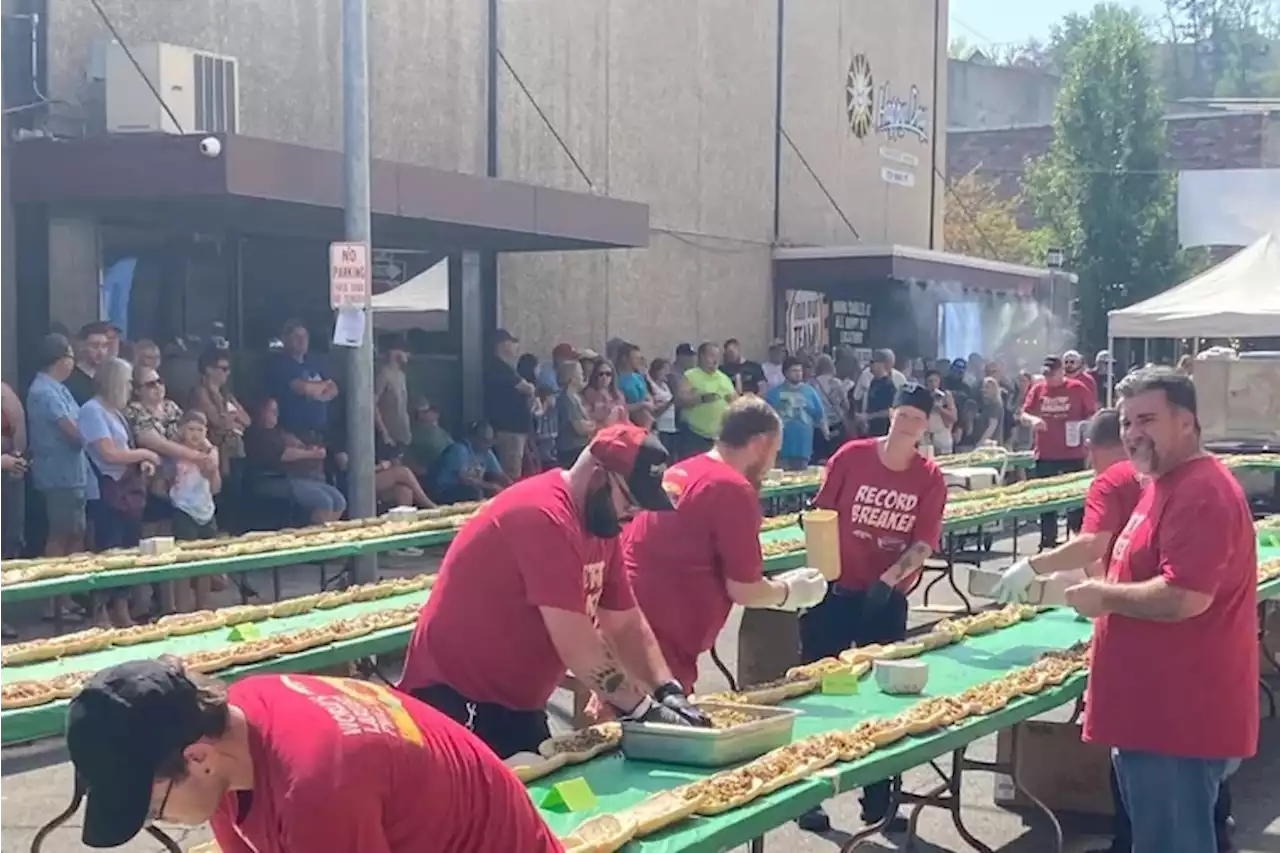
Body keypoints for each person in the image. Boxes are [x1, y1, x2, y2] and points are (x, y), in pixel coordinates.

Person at [399, 424, 711, 757]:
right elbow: (577, 646)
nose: (633, 515)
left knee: (550, 799)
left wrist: (668, 690)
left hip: (517, 705)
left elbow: (626, 623)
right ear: (597, 475)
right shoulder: (542, 515)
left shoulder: (601, 528)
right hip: (458, 700)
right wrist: (641, 710)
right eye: (631, 501)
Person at [46, 659, 562, 852]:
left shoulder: (316, 790)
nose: (160, 819)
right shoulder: (232, 728)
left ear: (196, 758)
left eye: (153, 809)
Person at [1061, 368, 1257, 853]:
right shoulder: (1162, 483)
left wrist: (1102, 596)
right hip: (1152, 718)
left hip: (1176, 724)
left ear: (1186, 422)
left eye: (1146, 419)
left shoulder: (1200, 491)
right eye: (1126, 422)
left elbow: (1185, 596)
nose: (1131, 434)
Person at [798, 383, 948, 835]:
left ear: (925, 427)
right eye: (902, 415)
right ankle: (809, 794)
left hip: (883, 600)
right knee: (823, 693)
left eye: (917, 420)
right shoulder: (851, 457)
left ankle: (880, 801)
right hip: (834, 594)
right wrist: (822, 573)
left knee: (884, 699)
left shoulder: (928, 477)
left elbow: (923, 541)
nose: (907, 425)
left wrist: (887, 582)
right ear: (892, 415)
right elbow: (822, 514)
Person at [625, 398, 828, 691]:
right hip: (662, 643)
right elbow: (745, 589)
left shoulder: (683, 470)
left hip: (632, 624)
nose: (771, 465)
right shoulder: (732, 488)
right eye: (775, 452)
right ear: (760, 444)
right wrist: (790, 592)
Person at [79, 358, 162, 628]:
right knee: (108, 552)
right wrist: (145, 453)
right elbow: (108, 453)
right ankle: (100, 614)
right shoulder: (92, 411)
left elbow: (124, 449)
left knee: (127, 551)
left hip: (128, 490)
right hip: (106, 491)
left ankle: (122, 611)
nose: (130, 388)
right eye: (127, 382)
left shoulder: (117, 412)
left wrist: (141, 462)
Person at [26, 334, 92, 624]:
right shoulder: (45, 392)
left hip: (73, 474)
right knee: (60, 534)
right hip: (58, 475)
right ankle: (51, 600)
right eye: (70, 357)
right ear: (60, 359)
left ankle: (65, 597)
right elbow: (74, 430)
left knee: (74, 532)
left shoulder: (58, 389)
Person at [1019, 355, 1098, 549]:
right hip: (1046, 452)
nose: (1049, 379)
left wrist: (1083, 430)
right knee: (1046, 500)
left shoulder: (1078, 389)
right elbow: (1023, 413)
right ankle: (1047, 541)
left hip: (1073, 453)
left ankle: (1078, 540)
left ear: (1061, 371)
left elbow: (1093, 414)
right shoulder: (1038, 389)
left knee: (1076, 501)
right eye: (1046, 374)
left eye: (1052, 374)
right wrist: (1033, 420)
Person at [243, 398, 346, 524]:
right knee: (324, 501)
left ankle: (327, 532)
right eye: (271, 410)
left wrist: (309, 448)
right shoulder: (257, 434)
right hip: (269, 479)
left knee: (339, 500)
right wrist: (311, 453)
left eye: (277, 410)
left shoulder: (279, 431)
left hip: (293, 477)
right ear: (260, 412)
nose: (276, 414)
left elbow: (297, 445)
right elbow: (282, 454)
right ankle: (314, 536)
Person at [266, 320, 338, 443]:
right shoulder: (281, 365)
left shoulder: (315, 362)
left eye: (305, 336)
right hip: (293, 435)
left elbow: (334, 389)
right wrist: (323, 387)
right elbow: (302, 388)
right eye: (297, 337)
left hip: (320, 433)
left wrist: (317, 391)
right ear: (285, 339)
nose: (302, 341)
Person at [484, 329, 535, 481]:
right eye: (512, 343)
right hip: (509, 429)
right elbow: (527, 388)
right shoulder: (498, 367)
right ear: (503, 345)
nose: (515, 347)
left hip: (515, 429)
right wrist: (530, 389)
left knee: (520, 470)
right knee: (510, 473)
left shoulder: (505, 367)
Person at [765, 356, 827, 470]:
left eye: (800, 371)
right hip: (781, 450)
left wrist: (826, 435)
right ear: (785, 373)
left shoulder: (810, 392)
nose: (798, 374)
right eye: (794, 371)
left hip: (803, 449)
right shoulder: (773, 394)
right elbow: (766, 419)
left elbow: (820, 416)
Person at [431, 421, 511, 504]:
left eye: (489, 442)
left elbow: (500, 475)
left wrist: (512, 487)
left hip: (467, 489)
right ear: (474, 438)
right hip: (444, 490)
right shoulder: (459, 449)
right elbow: (464, 479)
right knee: (476, 492)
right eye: (484, 441)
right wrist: (489, 486)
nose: (488, 445)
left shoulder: (487, 452)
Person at [679, 342, 736, 455]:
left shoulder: (724, 378)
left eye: (717, 357)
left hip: (718, 437)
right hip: (694, 436)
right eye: (711, 356)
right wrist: (701, 399)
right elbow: (680, 400)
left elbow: (736, 403)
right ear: (701, 357)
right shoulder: (691, 375)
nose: (715, 360)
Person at [374, 336, 413, 450]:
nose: (408, 355)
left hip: (402, 434)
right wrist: (383, 431)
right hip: (389, 436)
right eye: (405, 351)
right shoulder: (384, 374)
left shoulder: (401, 375)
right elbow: (373, 403)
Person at [555, 360, 595, 469]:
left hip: (580, 447)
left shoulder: (575, 397)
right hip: (572, 450)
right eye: (580, 374)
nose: (583, 376)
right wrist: (598, 425)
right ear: (572, 378)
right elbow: (579, 428)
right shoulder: (567, 399)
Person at [65, 322, 112, 405]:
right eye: (95, 346)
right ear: (82, 346)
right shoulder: (71, 380)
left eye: (104, 346)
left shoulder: (109, 378)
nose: (101, 352)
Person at [856, 351, 898, 438]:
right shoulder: (873, 382)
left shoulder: (888, 385)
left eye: (873, 362)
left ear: (881, 364)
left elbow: (890, 410)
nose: (870, 365)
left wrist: (869, 417)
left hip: (882, 430)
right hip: (871, 430)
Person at [921, 368, 956, 455]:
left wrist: (939, 409)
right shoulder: (921, 396)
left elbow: (953, 417)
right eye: (930, 381)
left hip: (941, 435)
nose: (933, 384)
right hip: (926, 437)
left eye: (935, 381)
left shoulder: (946, 396)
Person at [648, 358, 679, 453]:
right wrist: (670, 402)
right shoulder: (652, 386)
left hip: (671, 427)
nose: (668, 372)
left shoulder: (666, 386)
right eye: (665, 369)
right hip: (661, 428)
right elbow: (655, 411)